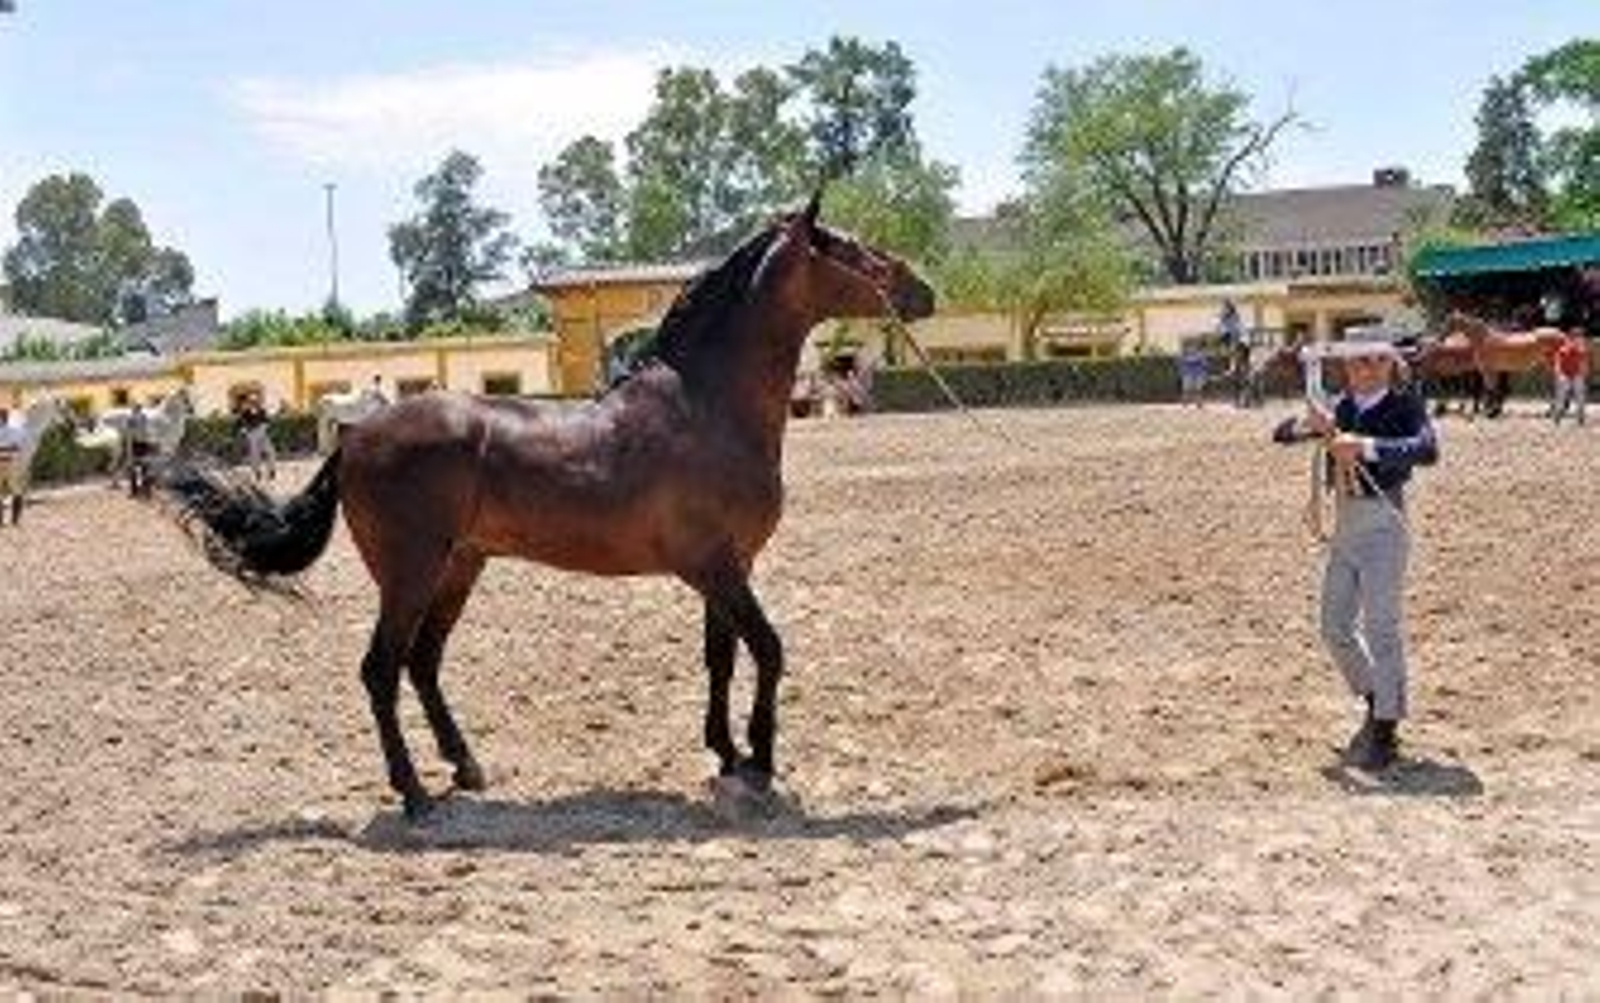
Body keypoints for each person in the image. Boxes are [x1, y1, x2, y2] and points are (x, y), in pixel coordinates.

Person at [1271, 326, 1440, 772]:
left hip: (1384, 522)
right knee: (1334, 626)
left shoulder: (1405, 405)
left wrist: (1364, 446)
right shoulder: (1340, 407)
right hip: (1346, 523)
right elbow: (1281, 434)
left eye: (1375, 359)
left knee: (1382, 627)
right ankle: (1373, 700)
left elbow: (1426, 449)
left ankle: (1386, 728)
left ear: (1390, 363)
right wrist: (1309, 425)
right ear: (1345, 365)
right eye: (1357, 360)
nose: (1366, 368)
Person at [1549, 328, 1589, 426]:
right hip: (1565, 375)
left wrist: (1583, 372)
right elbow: (1557, 361)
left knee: (1580, 397)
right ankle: (1557, 416)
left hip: (1576, 375)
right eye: (1577, 337)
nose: (1580, 339)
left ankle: (1580, 417)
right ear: (1572, 337)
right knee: (1561, 397)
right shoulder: (1564, 348)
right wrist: (1558, 373)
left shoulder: (1581, 349)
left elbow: (1583, 363)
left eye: (1580, 337)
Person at [236, 391, 277, 481]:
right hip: (252, 435)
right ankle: (257, 471)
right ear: (249, 402)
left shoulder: (262, 411)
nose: (253, 403)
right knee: (254, 454)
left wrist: (264, 427)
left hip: (262, 433)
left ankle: (272, 470)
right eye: (251, 401)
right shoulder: (244, 413)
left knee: (270, 451)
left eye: (255, 401)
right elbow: (240, 425)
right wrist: (245, 432)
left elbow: (267, 421)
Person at [0, 407, 26, 527]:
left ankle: (15, 520)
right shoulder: (16, 430)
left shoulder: (15, 430)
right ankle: (12, 520)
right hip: (10, 461)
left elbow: (19, 447)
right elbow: (18, 447)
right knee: (16, 490)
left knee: (16, 490)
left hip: (11, 461)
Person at [126, 402, 154, 498]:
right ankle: (147, 491)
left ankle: (135, 492)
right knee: (145, 469)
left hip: (136, 445)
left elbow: (130, 434)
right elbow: (148, 433)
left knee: (134, 469)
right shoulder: (145, 418)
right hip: (143, 444)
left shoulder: (131, 418)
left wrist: (128, 450)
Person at [1177, 342, 1208, 407]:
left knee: (1198, 390)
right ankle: (1185, 403)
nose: (1191, 348)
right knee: (1186, 390)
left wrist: (1204, 374)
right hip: (1188, 374)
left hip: (1198, 374)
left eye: (1193, 347)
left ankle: (1199, 403)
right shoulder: (1184, 356)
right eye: (1190, 347)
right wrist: (1182, 373)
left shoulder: (1200, 355)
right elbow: (1181, 365)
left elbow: (1204, 365)